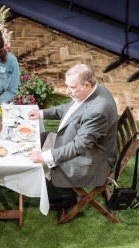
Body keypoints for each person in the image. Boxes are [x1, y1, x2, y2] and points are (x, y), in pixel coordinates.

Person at [27, 64, 118, 209]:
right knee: (42, 138)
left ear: (87, 85)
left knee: (48, 160)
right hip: (86, 144)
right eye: (67, 86)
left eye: (72, 87)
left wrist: (45, 157)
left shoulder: (98, 111)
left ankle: (64, 197)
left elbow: (79, 146)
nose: (67, 91)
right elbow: (70, 108)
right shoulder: (93, 90)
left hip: (93, 161)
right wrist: (42, 113)